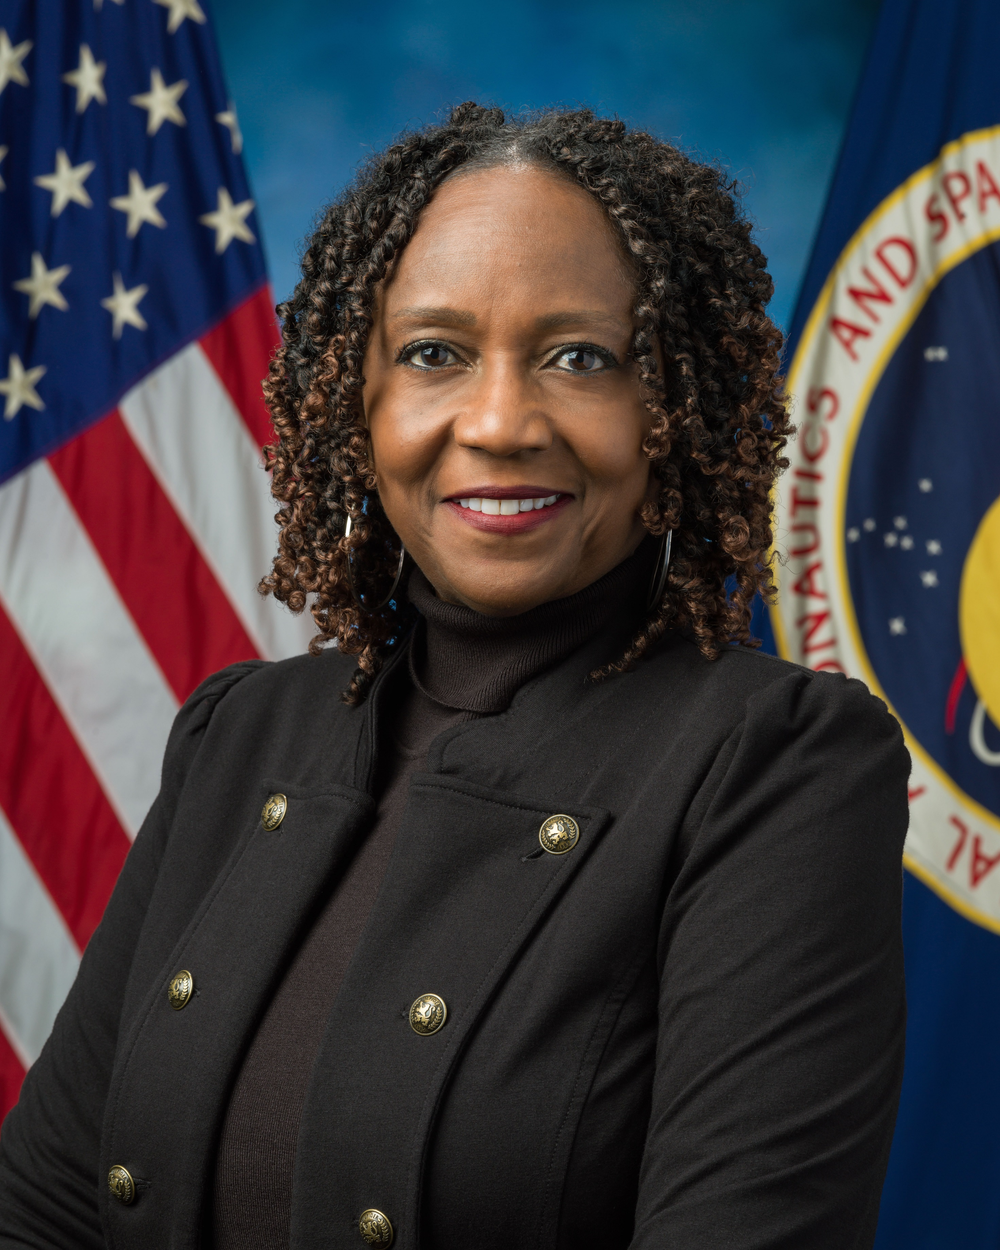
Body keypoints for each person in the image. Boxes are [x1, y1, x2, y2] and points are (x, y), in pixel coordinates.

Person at [0, 104, 909, 1250]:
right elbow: (40, 1209)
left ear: (673, 413)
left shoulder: (777, 763)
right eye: (434, 353)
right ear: (356, 403)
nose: (498, 421)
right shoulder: (240, 732)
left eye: (581, 357)